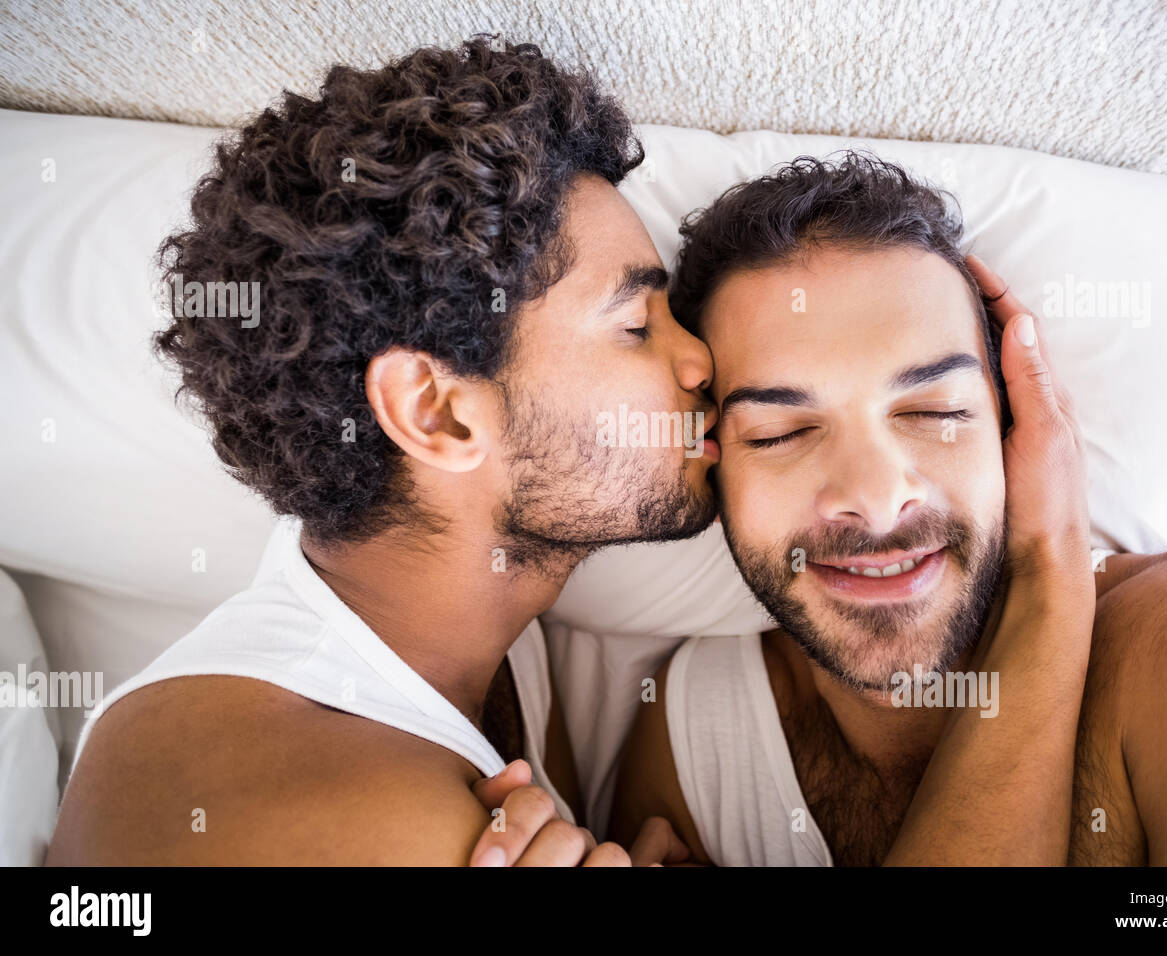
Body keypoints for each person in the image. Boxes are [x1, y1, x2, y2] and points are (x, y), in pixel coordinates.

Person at [49, 40, 1094, 866]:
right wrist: (1050, 575)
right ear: (440, 414)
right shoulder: (330, 814)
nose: (703, 366)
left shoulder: (464, 649)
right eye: (638, 326)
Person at [609, 153, 1167, 865]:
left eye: (936, 411)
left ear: (1010, 431)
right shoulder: (694, 740)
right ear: (711, 472)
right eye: (780, 433)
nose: (877, 500)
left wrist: (1050, 560)